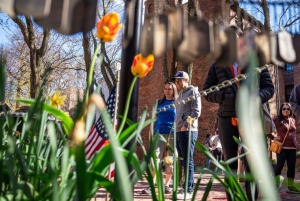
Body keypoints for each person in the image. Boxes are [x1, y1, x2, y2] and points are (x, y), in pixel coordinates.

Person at [202, 59, 274, 201]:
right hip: (226, 117)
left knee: (252, 163)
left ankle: (252, 198)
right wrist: (224, 96)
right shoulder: (218, 64)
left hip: (251, 117)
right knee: (230, 163)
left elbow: (269, 88)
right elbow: (206, 91)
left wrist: (257, 97)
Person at [142, 82, 178, 195]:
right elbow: (153, 119)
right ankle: (152, 185)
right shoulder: (158, 103)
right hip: (158, 134)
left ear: (174, 91)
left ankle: (167, 185)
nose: (167, 91)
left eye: (170, 89)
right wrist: (150, 134)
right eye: (166, 89)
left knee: (170, 160)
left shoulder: (178, 103)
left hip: (172, 134)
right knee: (154, 159)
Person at [173, 71, 201, 199]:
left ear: (186, 79)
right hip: (179, 131)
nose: (176, 83)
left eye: (179, 80)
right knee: (183, 161)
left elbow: (196, 111)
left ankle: (188, 190)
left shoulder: (193, 91)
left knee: (188, 160)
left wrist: (186, 125)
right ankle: (187, 186)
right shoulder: (179, 96)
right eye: (176, 80)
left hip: (188, 130)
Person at [267, 102, 300, 193]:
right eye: (284, 109)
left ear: (290, 110)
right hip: (282, 147)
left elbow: (293, 133)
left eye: (288, 109)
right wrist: (273, 137)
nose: (286, 110)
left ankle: (291, 186)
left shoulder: (292, 120)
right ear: (281, 110)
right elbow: (267, 129)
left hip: (292, 148)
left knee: (291, 167)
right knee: (279, 166)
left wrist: (296, 143)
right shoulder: (277, 119)